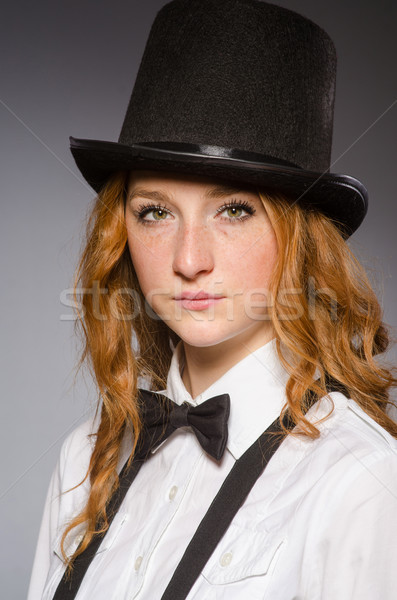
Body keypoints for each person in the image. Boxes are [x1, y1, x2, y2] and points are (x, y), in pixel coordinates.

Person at [28, 1, 397, 599]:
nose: (188, 258)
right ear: (121, 233)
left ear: (299, 237)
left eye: (233, 210)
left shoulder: (360, 480)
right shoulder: (83, 459)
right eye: (155, 213)